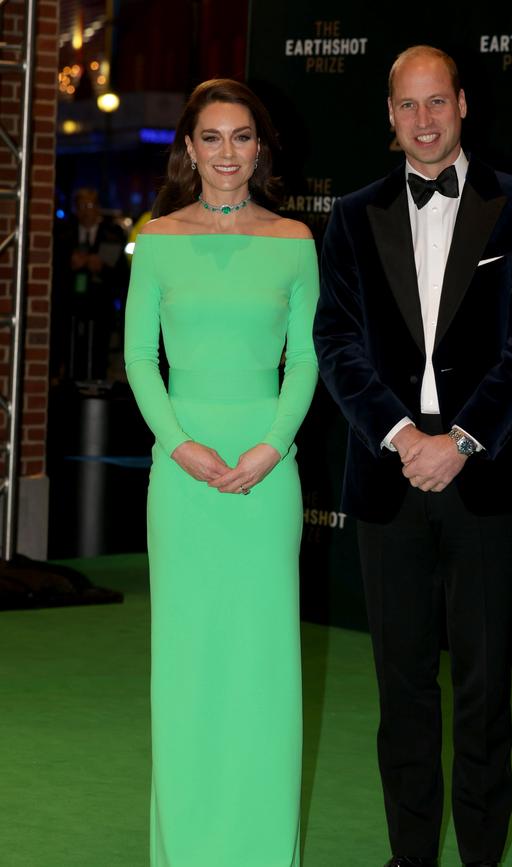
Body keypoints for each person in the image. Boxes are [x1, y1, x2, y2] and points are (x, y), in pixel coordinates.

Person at [313, 45, 512, 867]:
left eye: (437, 103)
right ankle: (410, 856)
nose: (423, 120)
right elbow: (337, 343)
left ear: (462, 104)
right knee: (403, 688)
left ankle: (482, 858)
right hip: (389, 473)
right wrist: (400, 435)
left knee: (486, 690)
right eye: (407, 106)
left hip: (483, 473)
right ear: (389, 115)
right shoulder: (351, 215)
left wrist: (458, 440)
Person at [124, 79, 318, 866]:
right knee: (188, 664)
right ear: (189, 148)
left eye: (242, 137)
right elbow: (139, 357)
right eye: (212, 137)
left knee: (263, 668)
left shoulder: (296, 240)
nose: (228, 153)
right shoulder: (158, 237)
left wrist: (272, 446)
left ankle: (263, 847)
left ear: (260, 149)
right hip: (182, 479)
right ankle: (189, 846)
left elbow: (305, 357)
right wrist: (179, 445)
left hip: (268, 479)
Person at [51, 187, 128, 381]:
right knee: (70, 357)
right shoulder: (63, 233)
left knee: (98, 358)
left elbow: (122, 275)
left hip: (100, 309)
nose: (87, 210)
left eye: (91, 205)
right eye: (82, 205)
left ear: (98, 208)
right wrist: (69, 263)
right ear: (76, 209)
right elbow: (52, 269)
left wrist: (101, 267)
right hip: (70, 310)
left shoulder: (113, 234)